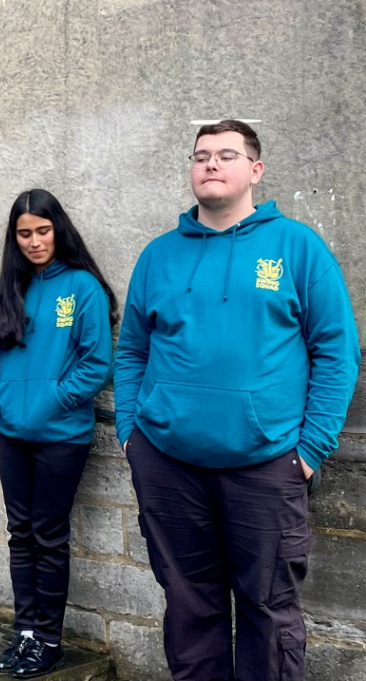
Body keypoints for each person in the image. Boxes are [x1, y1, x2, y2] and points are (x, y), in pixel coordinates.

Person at [115, 120, 360, 681]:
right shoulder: (159, 255)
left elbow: (336, 353)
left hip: (266, 466)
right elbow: (131, 351)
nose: (210, 164)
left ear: (254, 170)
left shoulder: (297, 247)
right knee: (189, 607)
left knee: (269, 611)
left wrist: (310, 450)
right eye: (201, 155)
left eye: (227, 154)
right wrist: (131, 434)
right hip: (169, 464)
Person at [0, 189, 115, 678]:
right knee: (21, 534)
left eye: (43, 230)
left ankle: (50, 640)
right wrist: (2, 398)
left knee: (48, 534)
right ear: (14, 238)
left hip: (62, 435)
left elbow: (96, 364)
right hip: (11, 432)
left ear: (57, 230)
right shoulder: (5, 291)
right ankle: (25, 632)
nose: (35, 241)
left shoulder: (83, 288)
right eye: (25, 233)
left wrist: (50, 402)